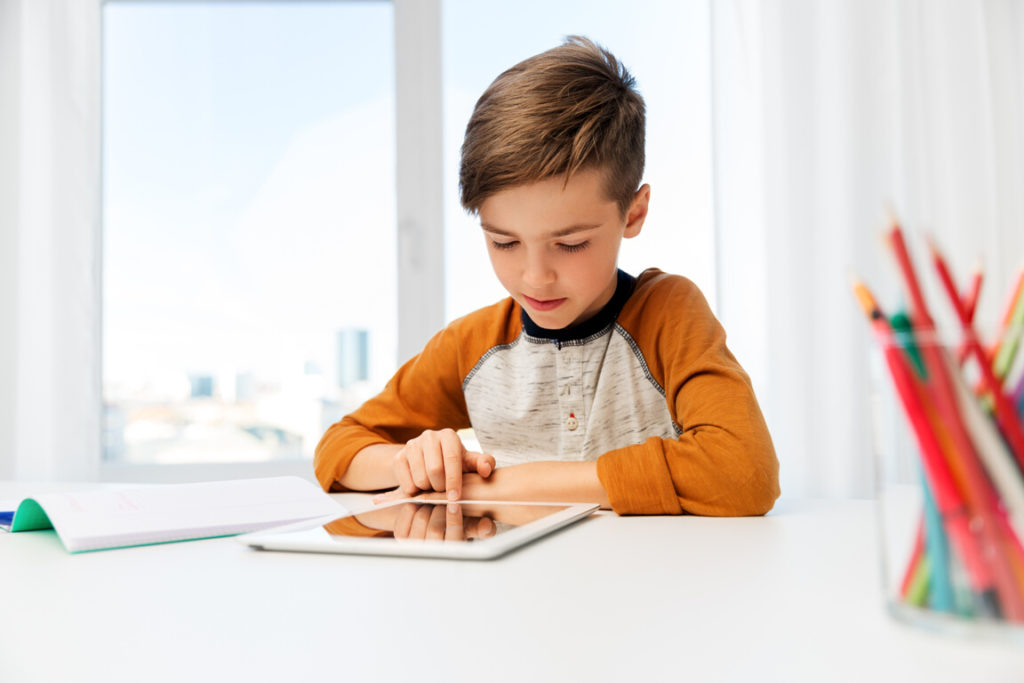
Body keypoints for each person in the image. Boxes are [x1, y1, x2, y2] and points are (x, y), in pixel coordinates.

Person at [314, 36, 779, 517]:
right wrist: (411, 463)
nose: (535, 278)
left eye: (571, 243)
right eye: (504, 242)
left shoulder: (668, 314)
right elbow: (338, 449)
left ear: (634, 213)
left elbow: (744, 473)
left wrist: (501, 489)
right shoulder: (472, 346)